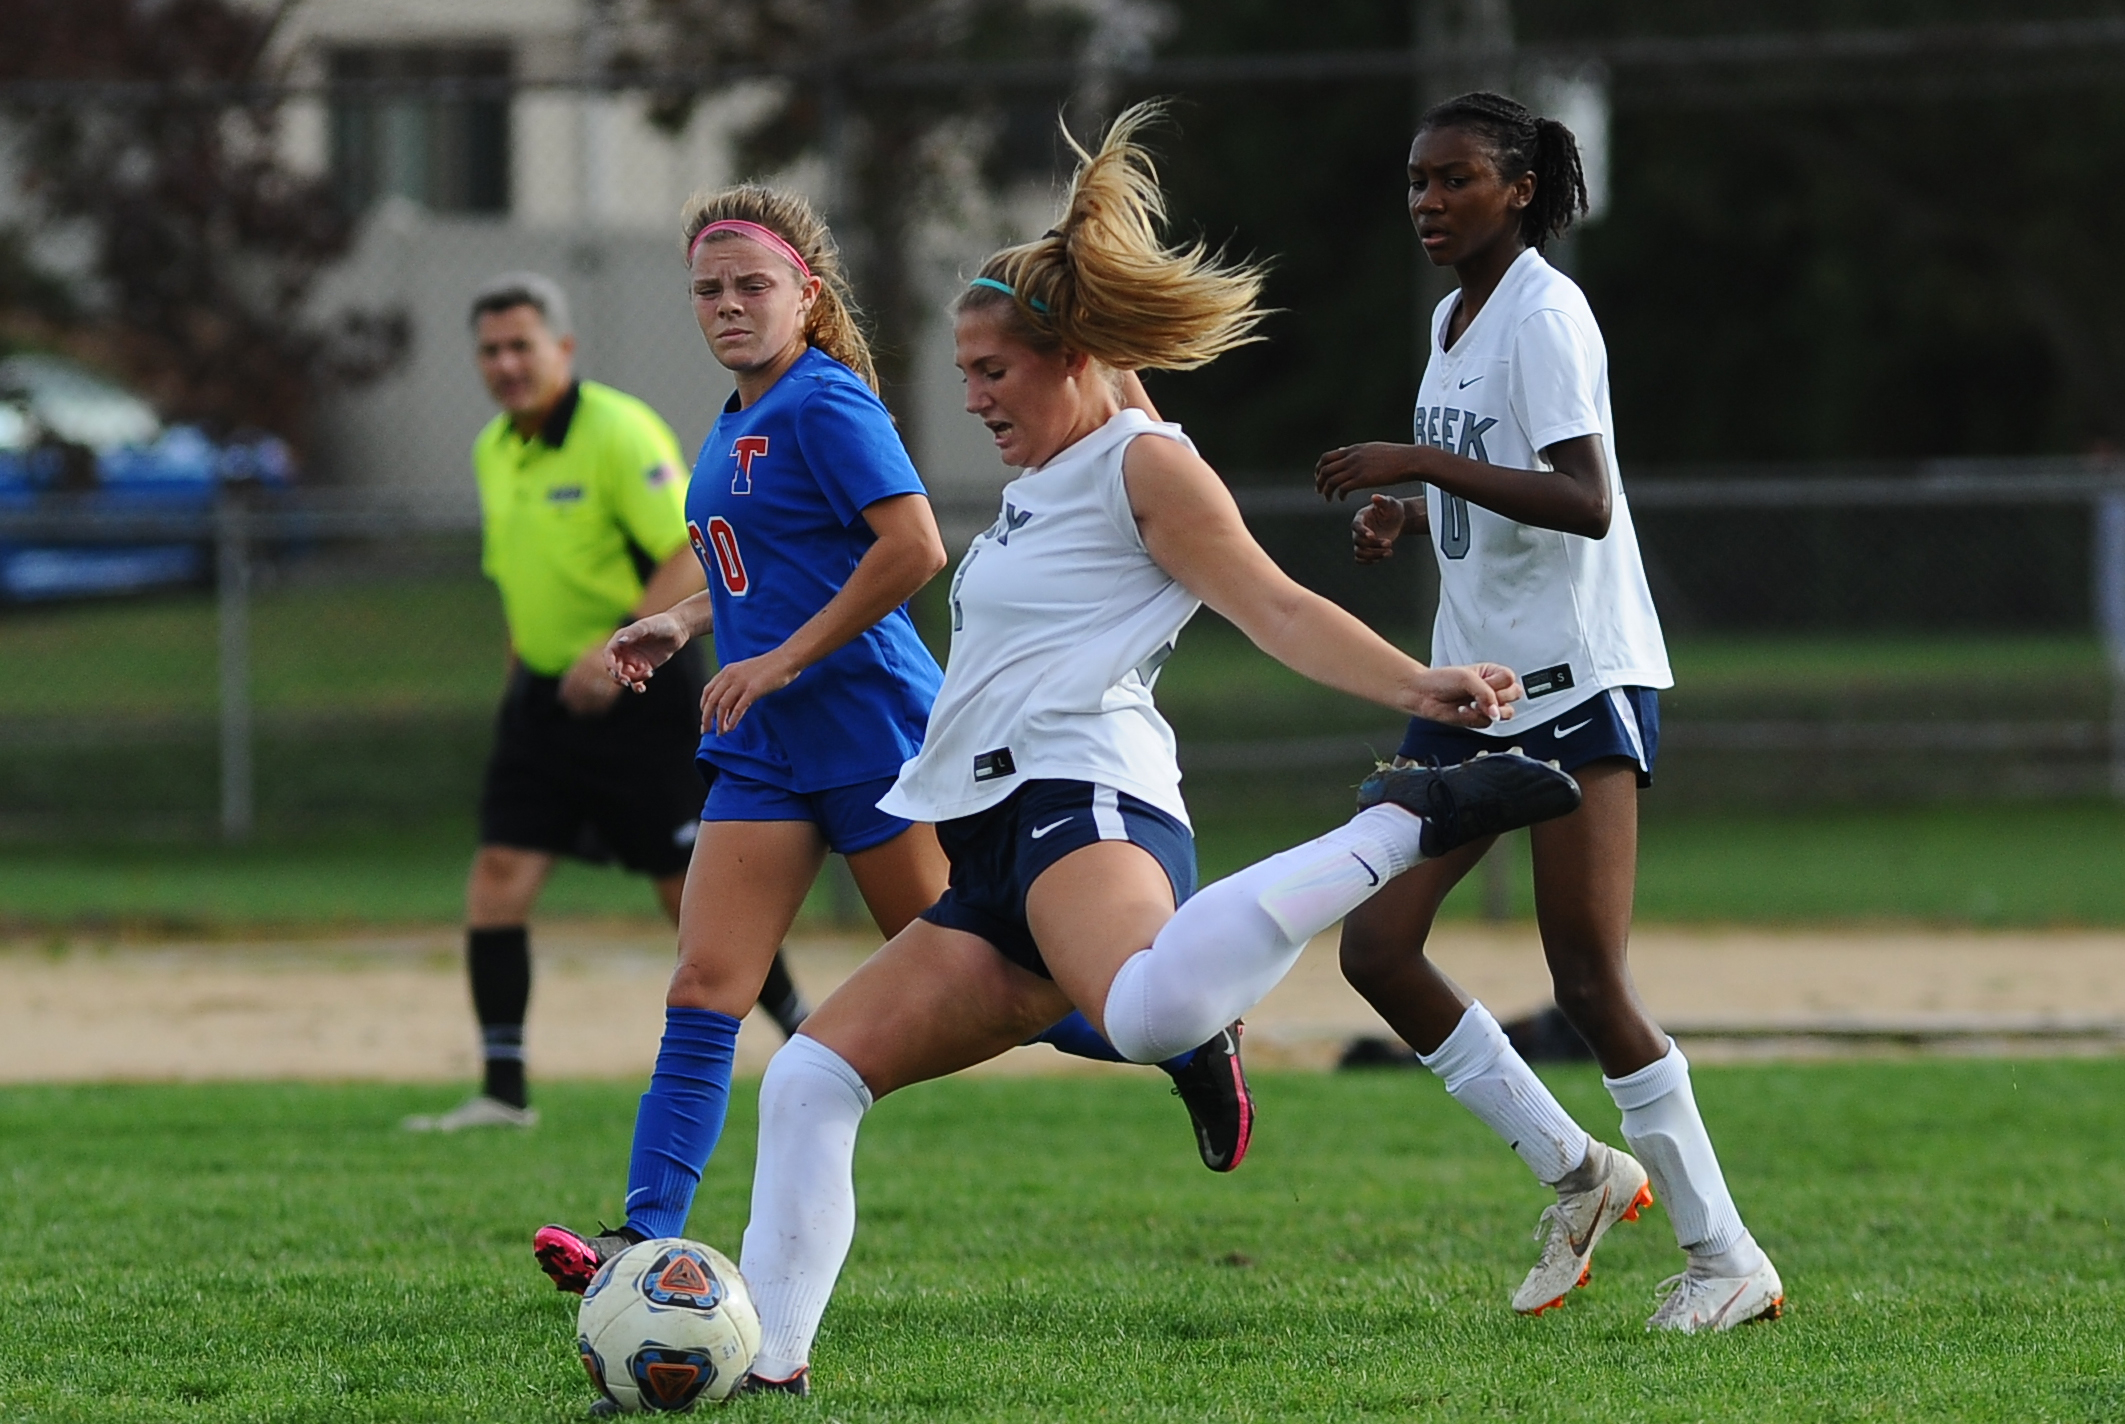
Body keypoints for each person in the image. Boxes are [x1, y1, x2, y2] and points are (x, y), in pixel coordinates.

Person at [720, 102, 1584, 1397]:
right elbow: (1093, 365)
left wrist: (1425, 685)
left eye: (995, 371)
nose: (973, 397)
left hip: (1093, 801)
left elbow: (1274, 605)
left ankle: (1409, 817)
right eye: (962, 373)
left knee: (1148, 1009)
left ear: (1072, 363)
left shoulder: (1143, 465)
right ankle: (768, 1368)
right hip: (987, 856)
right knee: (809, 1083)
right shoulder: (1051, 462)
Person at [531, 186, 1248, 1297]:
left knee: (994, 974)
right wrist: (683, 619)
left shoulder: (826, 402)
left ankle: (1182, 1032)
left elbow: (912, 547)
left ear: (804, 296)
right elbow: (767, 567)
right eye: (707, 289)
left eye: (749, 286)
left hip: (876, 731)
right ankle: (641, 1236)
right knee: (705, 981)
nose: (725, 305)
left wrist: (781, 658)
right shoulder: (733, 418)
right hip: (764, 745)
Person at [1314, 92, 1783, 1332]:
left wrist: (1412, 465)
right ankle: (1577, 1172)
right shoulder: (1450, 317)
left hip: (1577, 681)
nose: (1427, 200)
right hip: (1471, 684)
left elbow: (1583, 499)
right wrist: (1412, 517)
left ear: (1518, 189)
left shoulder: (1545, 311)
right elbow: (1498, 481)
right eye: (1415, 180)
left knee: (1585, 974)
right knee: (1374, 946)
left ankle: (1724, 1252)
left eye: (1454, 179)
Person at [404, 272, 809, 1134]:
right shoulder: (493, 450)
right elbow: (522, 583)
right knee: (498, 882)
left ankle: (810, 1041)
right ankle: (503, 1094)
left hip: (641, 694)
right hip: (543, 706)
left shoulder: (618, 432)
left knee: (690, 897)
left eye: (522, 346)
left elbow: (690, 552)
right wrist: (525, 682)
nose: (506, 364)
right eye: (490, 350)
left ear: (563, 349)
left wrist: (620, 640)